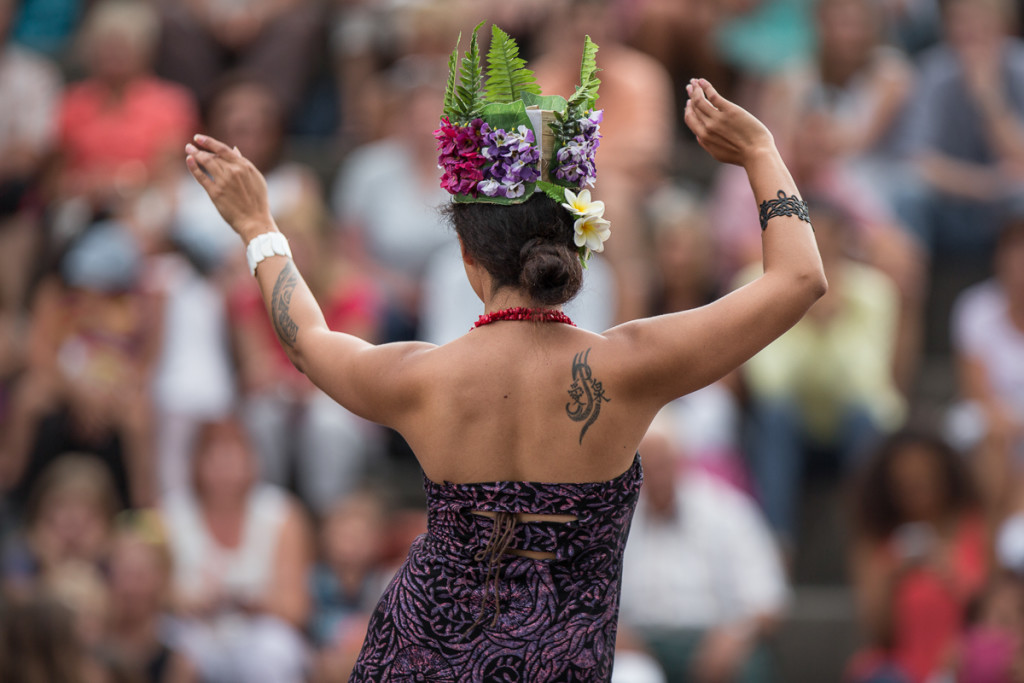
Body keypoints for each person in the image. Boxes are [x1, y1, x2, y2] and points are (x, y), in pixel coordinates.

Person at [183, 22, 826, 680]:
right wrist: (760, 151)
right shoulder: (631, 367)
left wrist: (260, 228)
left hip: (419, 658)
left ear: (468, 257)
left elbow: (308, 341)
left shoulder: (421, 378)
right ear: (579, 247)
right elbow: (800, 278)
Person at [620, 420, 788, 682]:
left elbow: (768, 600)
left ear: (681, 460)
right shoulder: (619, 523)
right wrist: (613, 634)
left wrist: (732, 638)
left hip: (717, 638)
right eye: (644, 466)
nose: (654, 474)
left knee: (747, 667)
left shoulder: (728, 511)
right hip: (640, 645)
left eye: (661, 463)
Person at [848, 431, 987, 683]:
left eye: (925, 478)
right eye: (905, 482)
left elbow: (988, 609)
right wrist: (891, 576)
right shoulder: (878, 541)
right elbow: (878, 631)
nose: (917, 487)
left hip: (964, 663)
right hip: (898, 669)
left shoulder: (974, 527)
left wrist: (947, 568)